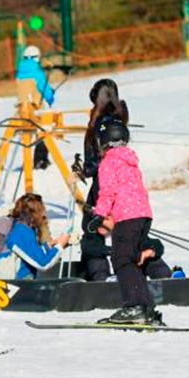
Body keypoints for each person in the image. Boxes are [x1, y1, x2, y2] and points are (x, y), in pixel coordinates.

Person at [88, 119, 164, 325]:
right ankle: (146, 308)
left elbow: (108, 191)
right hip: (143, 216)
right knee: (132, 260)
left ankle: (134, 306)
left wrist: (99, 215)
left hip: (127, 217)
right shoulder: (130, 161)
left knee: (121, 260)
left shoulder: (108, 162)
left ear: (104, 140)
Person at [76, 79, 130, 281]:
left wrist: (83, 171)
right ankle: (156, 270)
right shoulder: (119, 116)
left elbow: (98, 160)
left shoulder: (100, 122)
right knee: (127, 228)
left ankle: (99, 275)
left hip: (103, 185)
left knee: (92, 231)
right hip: (123, 181)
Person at [0, 193, 70, 279]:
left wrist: (49, 246)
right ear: (33, 214)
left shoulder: (23, 228)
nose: (44, 214)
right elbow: (43, 264)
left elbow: (29, 254)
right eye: (41, 211)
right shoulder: (23, 232)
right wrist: (60, 246)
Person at [17, 46, 54, 170]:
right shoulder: (37, 72)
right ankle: (40, 159)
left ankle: (28, 161)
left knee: (28, 135)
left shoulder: (20, 71)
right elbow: (46, 90)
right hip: (36, 108)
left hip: (23, 110)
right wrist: (51, 97)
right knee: (45, 131)